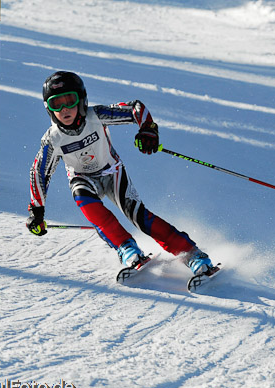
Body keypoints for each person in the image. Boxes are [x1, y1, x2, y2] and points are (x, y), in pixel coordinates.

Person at [26, 71, 215, 275]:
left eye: (70, 100)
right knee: (91, 209)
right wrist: (36, 211)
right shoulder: (53, 139)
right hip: (82, 179)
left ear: (82, 99)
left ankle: (192, 254)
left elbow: (135, 108)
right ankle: (127, 249)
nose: (64, 109)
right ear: (48, 108)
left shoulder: (96, 116)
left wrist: (148, 129)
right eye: (56, 104)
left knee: (139, 216)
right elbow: (39, 172)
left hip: (112, 172)